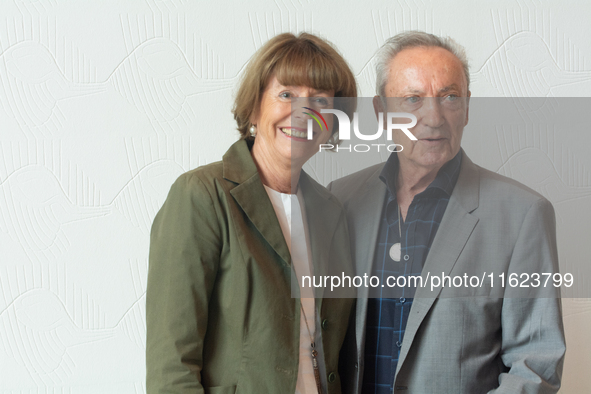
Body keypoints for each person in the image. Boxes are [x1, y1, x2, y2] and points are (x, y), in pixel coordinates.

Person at [329, 31, 566, 393]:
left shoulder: (522, 215)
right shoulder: (341, 201)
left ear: (467, 107)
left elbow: (536, 365)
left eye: (450, 97)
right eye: (412, 99)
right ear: (381, 112)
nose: (434, 117)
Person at [146, 32, 357, 393]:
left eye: (320, 100)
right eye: (287, 94)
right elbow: (172, 366)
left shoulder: (331, 210)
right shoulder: (202, 195)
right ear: (256, 104)